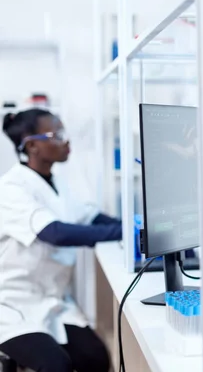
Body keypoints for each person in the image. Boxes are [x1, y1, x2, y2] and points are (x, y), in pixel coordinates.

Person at [0, 109, 122, 372]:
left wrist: (139, 228)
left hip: (53, 302)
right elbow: (56, 233)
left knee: (96, 358)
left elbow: (91, 217)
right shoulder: (11, 187)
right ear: (32, 145)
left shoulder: (56, 185)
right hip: (12, 305)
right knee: (55, 365)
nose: (66, 142)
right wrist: (124, 234)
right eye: (57, 135)